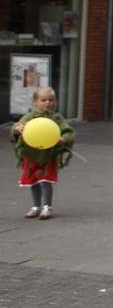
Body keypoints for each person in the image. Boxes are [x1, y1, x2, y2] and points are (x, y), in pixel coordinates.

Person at [11, 87, 75, 219]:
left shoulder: (57, 118)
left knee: (45, 181)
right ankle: (35, 207)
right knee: (33, 182)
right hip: (31, 155)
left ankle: (47, 207)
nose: (47, 103)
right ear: (35, 102)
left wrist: (64, 139)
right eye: (43, 100)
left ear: (55, 102)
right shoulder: (30, 117)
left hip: (48, 156)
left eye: (51, 100)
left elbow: (68, 131)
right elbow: (17, 127)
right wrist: (18, 129)